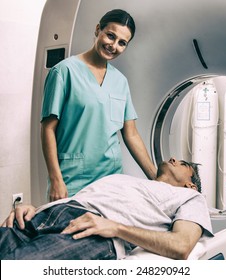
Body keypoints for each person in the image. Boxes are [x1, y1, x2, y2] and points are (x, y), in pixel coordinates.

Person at [40, 9, 157, 201]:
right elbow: (48, 129)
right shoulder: (63, 71)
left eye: (122, 43)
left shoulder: (120, 81)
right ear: (98, 30)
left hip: (112, 178)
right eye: (110, 36)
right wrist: (55, 179)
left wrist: (156, 178)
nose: (114, 46)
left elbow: (131, 133)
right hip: (73, 178)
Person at [0, 158, 213, 260]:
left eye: (183, 164)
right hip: (41, 217)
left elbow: (181, 245)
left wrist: (116, 228)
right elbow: (85, 199)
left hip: (90, 230)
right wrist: (33, 209)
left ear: (191, 184)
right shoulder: (124, 179)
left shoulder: (190, 197)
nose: (173, 159)